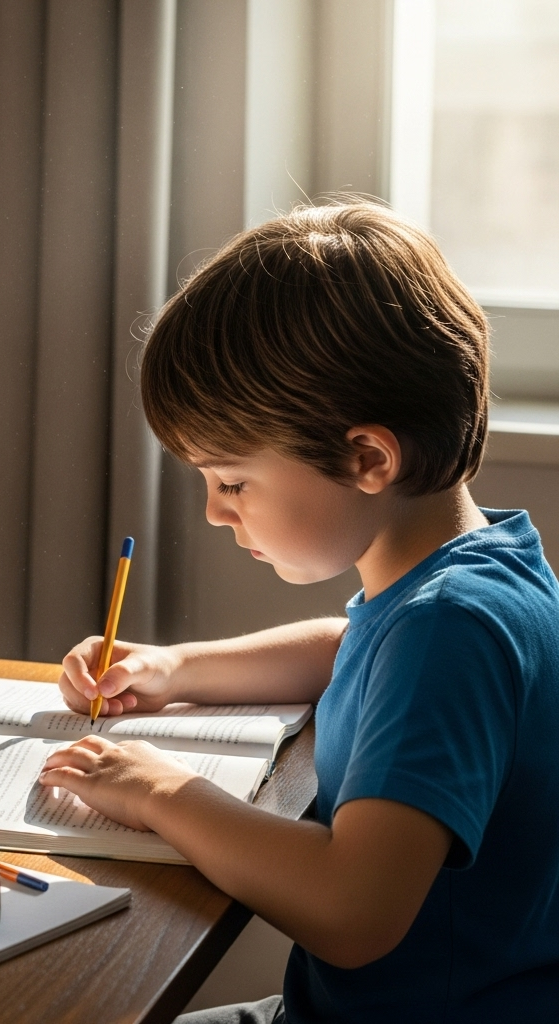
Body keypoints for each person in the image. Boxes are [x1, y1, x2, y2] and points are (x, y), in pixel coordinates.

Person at [38, 203, 559, 1022]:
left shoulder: (448, 630)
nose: (215, 512)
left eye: (232, 481)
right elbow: (348, 647)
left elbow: (353, 912)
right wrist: (175, 668)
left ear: (367, 458)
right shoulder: (470, 576)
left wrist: (162, 792)